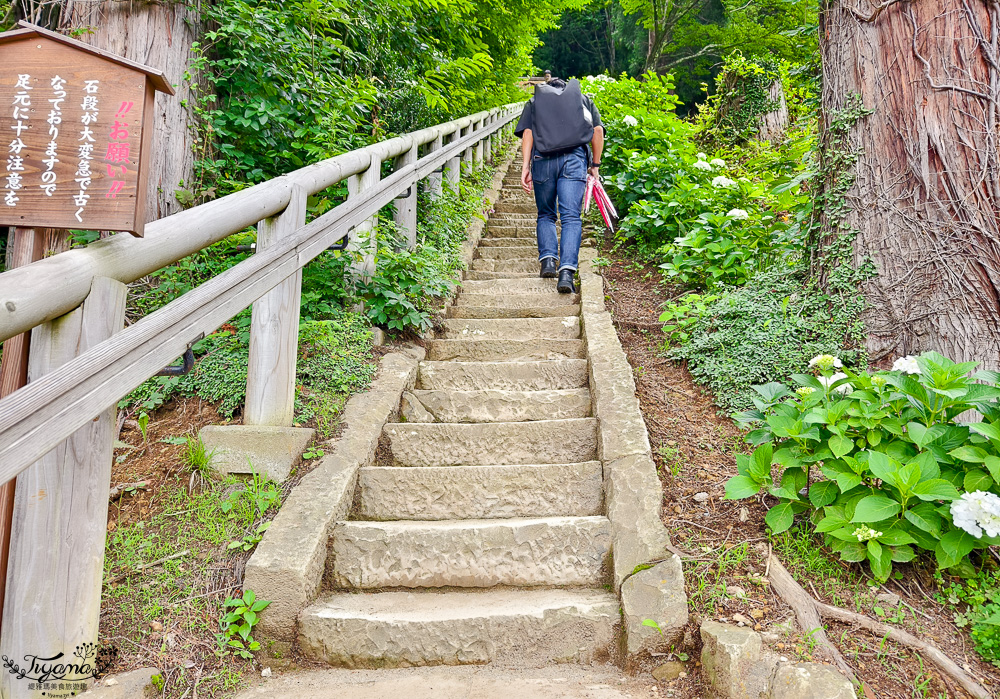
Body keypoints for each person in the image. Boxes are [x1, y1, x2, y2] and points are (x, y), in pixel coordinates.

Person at [514, 76, 604, 293]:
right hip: (573, 160)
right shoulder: (582, 100)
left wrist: (525, 167)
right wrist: (595, 165)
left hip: (543, 161)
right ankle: (566, 273)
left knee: (546, 214)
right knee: (571, 216)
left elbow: (528, 133)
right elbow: (597, 132)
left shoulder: (535, 103)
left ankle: (547, 261)